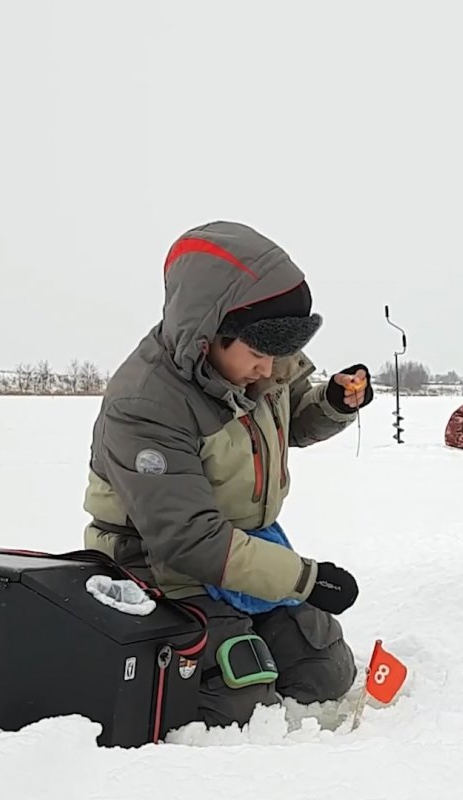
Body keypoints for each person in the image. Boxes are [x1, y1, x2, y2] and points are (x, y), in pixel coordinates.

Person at [80, 221, 372, 730]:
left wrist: (329, 403)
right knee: (241, 700)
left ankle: (247, 635)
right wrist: (304, 578)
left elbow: (283, 424)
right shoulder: (146, 404)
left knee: (324, 670)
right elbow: (191, 539)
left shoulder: (258, 364)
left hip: (243, 551)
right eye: (259, 355)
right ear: (208, 334)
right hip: (160, 571)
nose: (270, 370)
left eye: (278, 357)